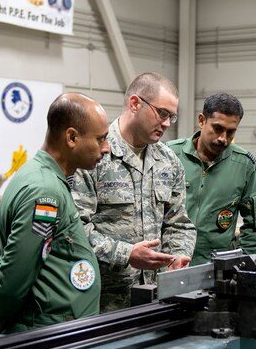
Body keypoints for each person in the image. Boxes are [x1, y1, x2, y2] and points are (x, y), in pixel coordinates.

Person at [0, 94, 110, 333]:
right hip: (41, 334)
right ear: (72, 137)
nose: (106, 148)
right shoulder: (45, 192)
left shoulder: (44, 177)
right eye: (100, 139)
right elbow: (15, 277)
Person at [72, 72, 196, 312]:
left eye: (172, 116)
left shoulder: (168, 161)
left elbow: (179, 223)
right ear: (135, 104)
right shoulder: (93, 155)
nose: (168, 124)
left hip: (155, 299)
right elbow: (75, 229)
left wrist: (178, 256)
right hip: (101, 302)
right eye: (162, 113)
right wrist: (126, 254)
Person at [167, 93, 256, 265]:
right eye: (218, 128)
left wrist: (238, 261)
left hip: (214, 270)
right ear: (201, 120)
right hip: (168, 264)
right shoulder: (169, 155)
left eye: (231, 132)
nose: (223, 138)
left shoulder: (244, 165)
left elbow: (255, 224)